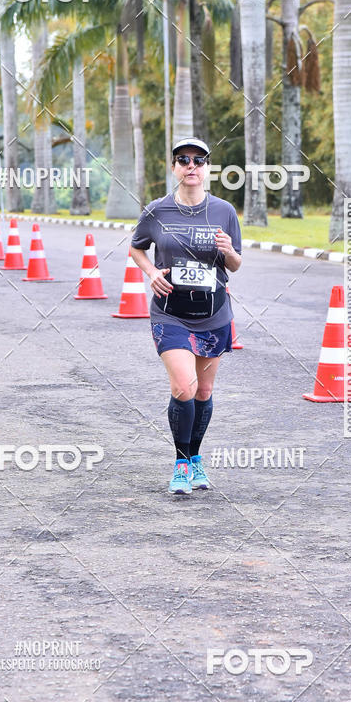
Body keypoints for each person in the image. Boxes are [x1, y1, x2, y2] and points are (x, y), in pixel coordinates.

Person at [131, 138, 242, 495]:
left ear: (207, 168)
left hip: (213, 315)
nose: (191, 166)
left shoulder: (224, 210)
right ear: (174, 168)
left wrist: (228, 252)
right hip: (170, 314)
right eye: (183, 160)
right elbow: (136, 248)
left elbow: (236, 265)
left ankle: (196, 458)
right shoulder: (157, 211)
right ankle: (181, 463)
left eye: (198, 160)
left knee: (204, 390)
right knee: (184, 386)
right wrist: (151, 272)